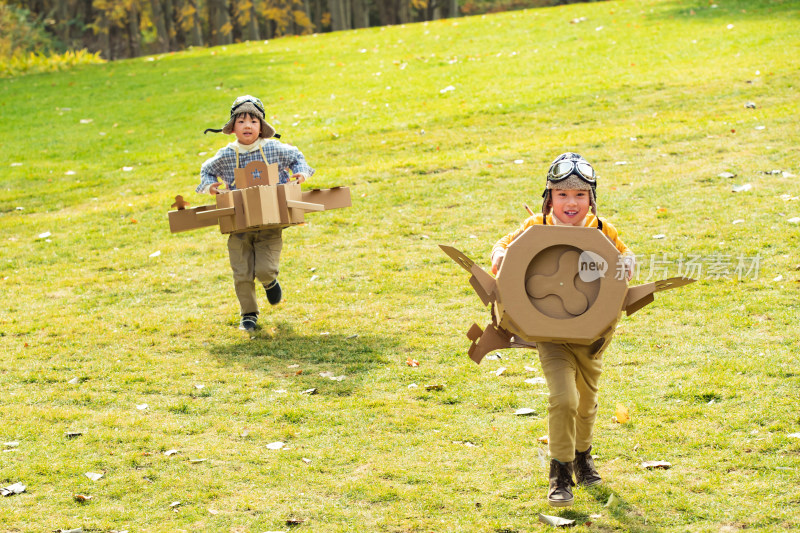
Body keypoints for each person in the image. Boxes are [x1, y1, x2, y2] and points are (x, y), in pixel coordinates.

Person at [490, 153, 635, 508]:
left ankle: (583, 457)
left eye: (580, 196)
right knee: (564, 400)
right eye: (563, 195)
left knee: (586, 404)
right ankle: (560, 472)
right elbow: (502, 246)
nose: (571, 203)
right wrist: (498, 254)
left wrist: (629, 261)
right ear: (549, 197)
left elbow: (626, 255)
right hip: (551, 334)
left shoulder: (601, 229)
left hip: (593, 336)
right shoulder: (534, 225)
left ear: (591, 199)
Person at [198, 95, 315, 331]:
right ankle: (248, 314)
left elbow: (297, 157)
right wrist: (211, 186)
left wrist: (301, 174)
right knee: (241, 272)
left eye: (253, 121)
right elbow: (207, 171)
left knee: (263, 269)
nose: (248, 125)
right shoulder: (227, 155)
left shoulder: (273, 148)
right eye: (241, 122)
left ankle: (269, 282)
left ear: (261, 127)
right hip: (239, 224)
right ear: (233, 128)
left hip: (271, 221)